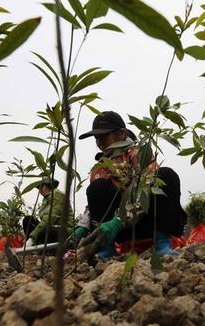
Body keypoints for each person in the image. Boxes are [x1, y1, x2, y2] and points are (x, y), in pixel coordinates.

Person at [72, 111, 187, 259]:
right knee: (97, 188)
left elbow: (146, 188)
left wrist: (118, 221)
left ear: (121, 134)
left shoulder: (138, 153)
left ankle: (161, 243)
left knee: (165, 175)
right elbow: (93, 205)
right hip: (121, 232)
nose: (99, 142)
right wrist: (82, 226)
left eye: (104, 137)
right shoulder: (99, 169)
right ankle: (108, 248)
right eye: (96, 139)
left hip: (147, 222)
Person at [25, 177, 65, 246]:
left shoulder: (57, 195)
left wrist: (32, 237)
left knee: (42, 232)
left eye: (40, 188)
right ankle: (34, 246)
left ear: (45, 187)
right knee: (28, 220)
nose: (39, 191)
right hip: (50, 227)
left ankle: (35, 246)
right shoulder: (45, 199)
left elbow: (49, 218)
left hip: (60, 229)